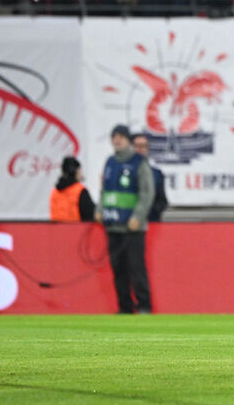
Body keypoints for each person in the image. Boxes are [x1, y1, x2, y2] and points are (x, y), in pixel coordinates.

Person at [99, 125, 155, 314]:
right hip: (113, 224)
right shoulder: (110, 162)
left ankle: (144, 306)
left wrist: (138, 217)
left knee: (136, 267)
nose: (117, 140)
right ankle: (124, 306)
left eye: (121, 137)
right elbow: (104, 190)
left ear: (128, 140)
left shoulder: (138, 162)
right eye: (114, 137)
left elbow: (147, 192)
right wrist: (100, 209)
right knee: (118, 269)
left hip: (132, 227)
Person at [132, 134, 168, 222]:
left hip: (150, 223)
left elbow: (162, 202)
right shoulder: (123, 171)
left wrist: (147, 212)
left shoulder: (157, 174)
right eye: (137, 146)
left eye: (143, 146)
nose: (140, 149)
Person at [49, 156, 95, 222]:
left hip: (57, 231)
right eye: (79, 170)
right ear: (76, 171)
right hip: (76, 231)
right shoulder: (80, 191)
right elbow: (90, 216)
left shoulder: (54, 192)